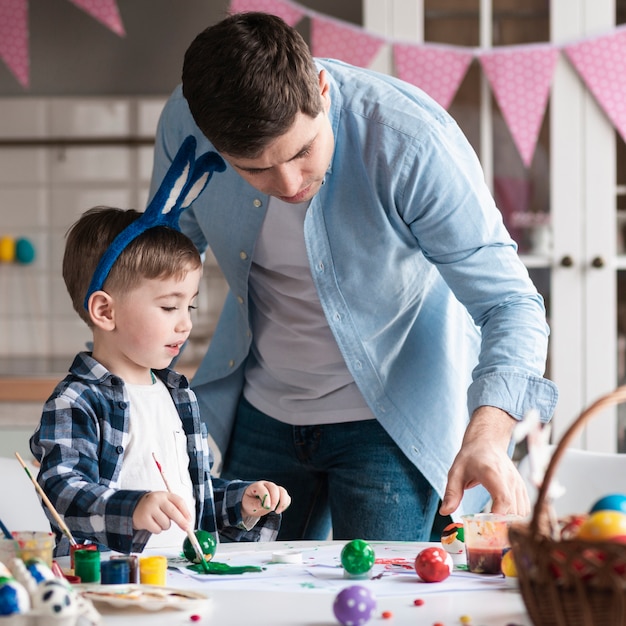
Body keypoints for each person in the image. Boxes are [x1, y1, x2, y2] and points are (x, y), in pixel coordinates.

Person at [148, 11, 558, 542]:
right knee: (248, 594)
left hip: (391, 422)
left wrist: (487, 435)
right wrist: (126, 395)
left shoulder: (410, 142)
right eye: (255, 169)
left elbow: (510, 304)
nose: (290, 182)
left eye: (301, 151)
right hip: (262, 409)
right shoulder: (185, 123)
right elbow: (158, 266)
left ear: (320, 88)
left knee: (380, 605)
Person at [30, 198, 290, 556]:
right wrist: (133, 509)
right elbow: (62, 491)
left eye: (190, 305)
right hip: (109, 584)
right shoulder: (76, 401)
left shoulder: (178, 395)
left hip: (181, 578)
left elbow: (190, 495)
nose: (185, 323)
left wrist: (241, 503)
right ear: (105, 310)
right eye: (169, 306)